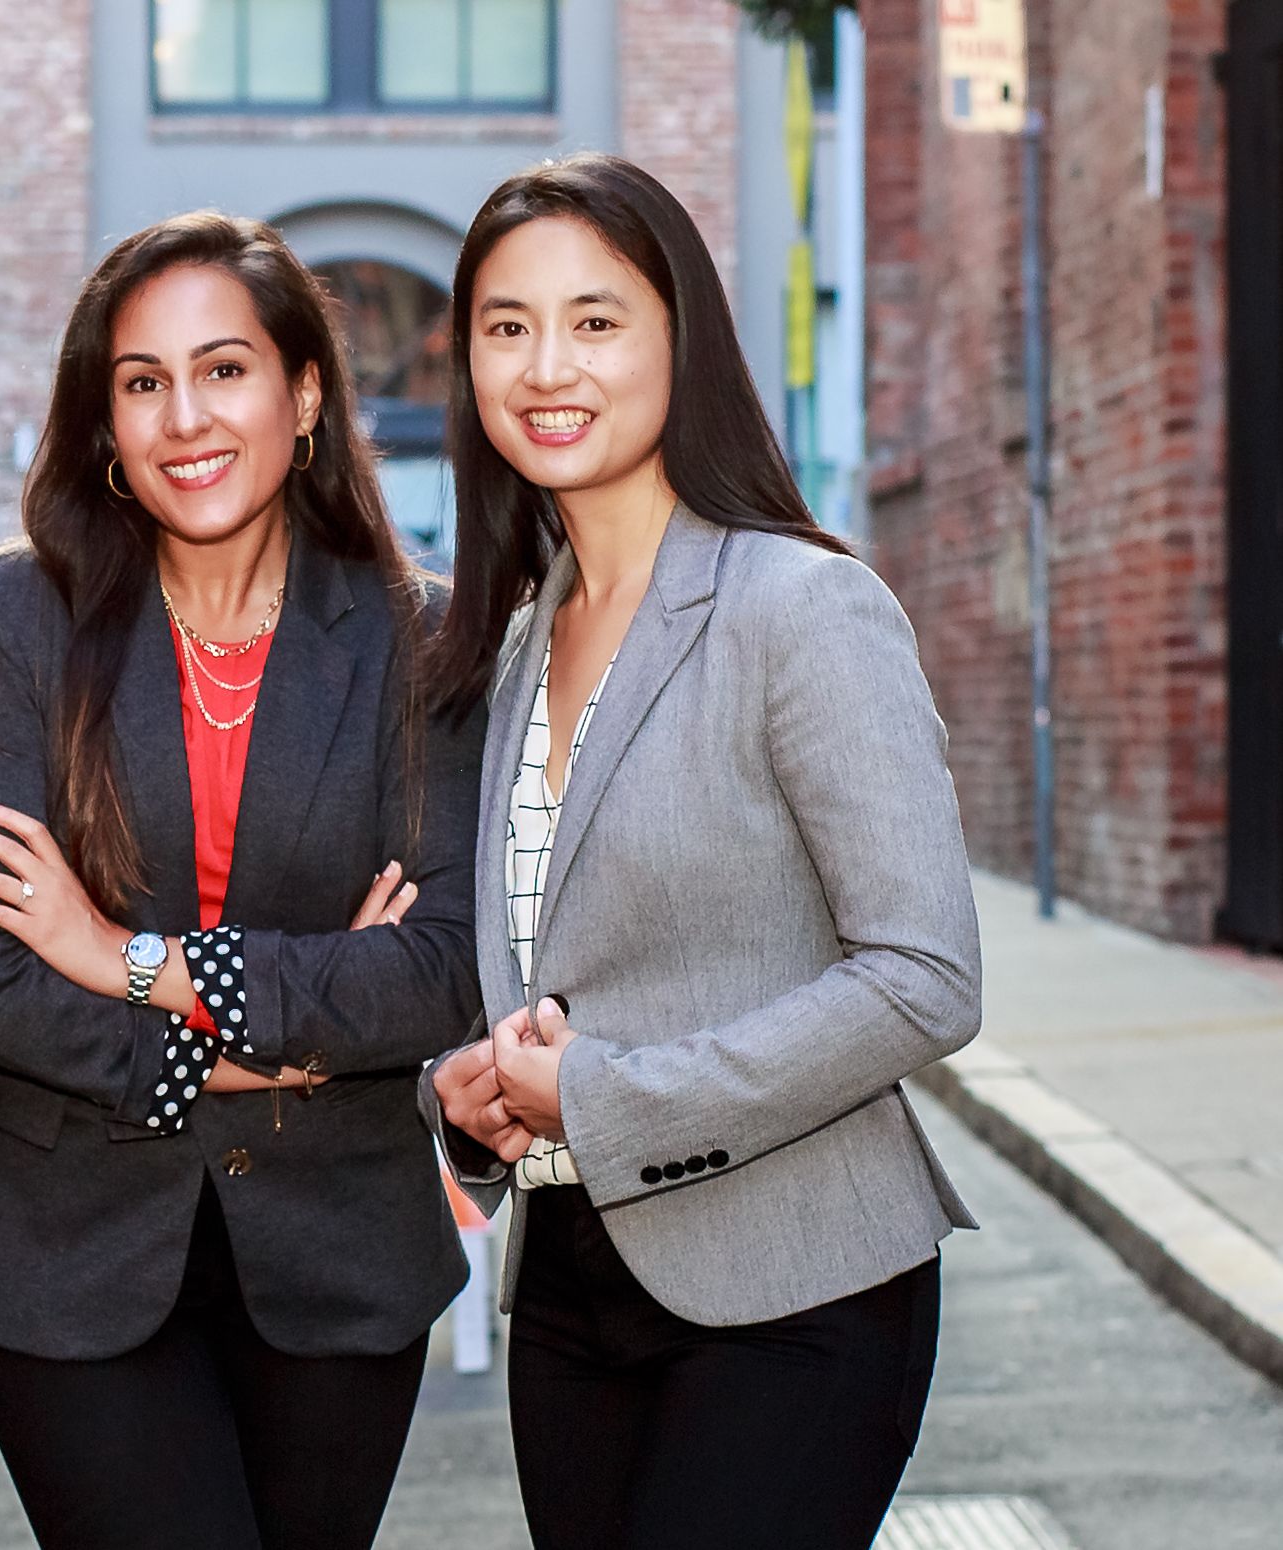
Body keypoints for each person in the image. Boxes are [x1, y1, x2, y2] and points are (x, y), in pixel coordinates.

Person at [417, 153, 982, 1549]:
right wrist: (470, 1090)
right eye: (506, 325)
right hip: (567, 1284)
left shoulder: (802, 607)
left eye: (595, 320)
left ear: (683, 340)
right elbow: (548, 966)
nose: (546, 364)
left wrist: (605, 1095)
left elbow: (923, 976)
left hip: (795, 1288)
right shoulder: (504, 641)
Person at [0, 211, 484, 1550]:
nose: (185, 417)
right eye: (142, 382)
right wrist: (265, 1051)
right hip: (71, 1253)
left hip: (339, 1255)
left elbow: (434, 967)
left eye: (224, 369)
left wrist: (120, 953)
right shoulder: (9, 622)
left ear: (305, 396)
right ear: (103, 425)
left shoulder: (424, 635)